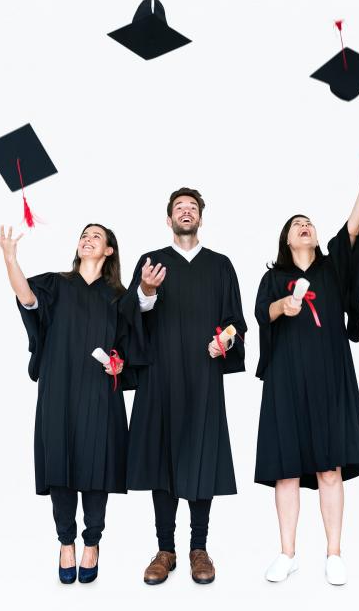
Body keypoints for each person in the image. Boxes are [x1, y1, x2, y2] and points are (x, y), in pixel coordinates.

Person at [254, 150, 359, 585]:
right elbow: (262, 313)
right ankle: (287, 552)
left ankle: (333, 553)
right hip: (286, 381)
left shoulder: (332, 269)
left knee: (330, 467)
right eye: (297, 225)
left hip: (330, 378)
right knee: (287, 469)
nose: (304, 226)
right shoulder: (274, 276)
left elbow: (353, 226)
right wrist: (285, 304)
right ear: (287, 240)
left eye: (308, 222)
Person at [0, 223, 139, 584]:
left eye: (96, 237)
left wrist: (118, 362)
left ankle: (92, 541)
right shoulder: (56, 284)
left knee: (97, 466)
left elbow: (130, 346)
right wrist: (11, 257)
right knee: (61, 462)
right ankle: (66, 541)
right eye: (84, 235)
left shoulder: (120, 297)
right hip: (59, 387)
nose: (87, 240)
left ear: (109, 251)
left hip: (100, 391)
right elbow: (26, 297)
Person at [120, 188, 247, 585]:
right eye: (180, 208)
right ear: (169, 217)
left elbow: (236, 322)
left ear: (201, 217)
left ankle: (198, 548)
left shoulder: (220, 265)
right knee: (162, 459)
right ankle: (164, 549)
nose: (186, 212)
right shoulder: (151, 262)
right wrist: (146, 291)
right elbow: (130, 316)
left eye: (192, 208)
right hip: (160, 375)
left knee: (200, 456)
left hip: (202, 375)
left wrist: (224, 340)